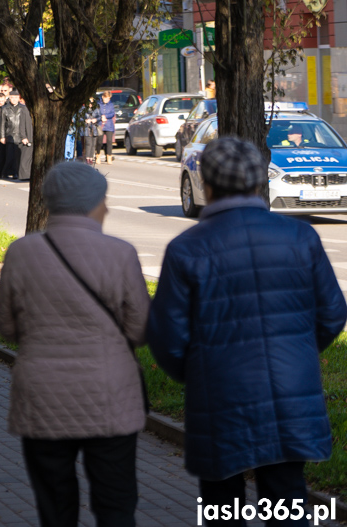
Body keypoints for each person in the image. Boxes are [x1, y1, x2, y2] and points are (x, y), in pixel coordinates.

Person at [147, 137, 347, 526]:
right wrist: (300, 355)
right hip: (291, 395)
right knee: (288, 501)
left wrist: (198, 372)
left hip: (219, 397)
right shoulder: (301, 238)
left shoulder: (187, 249)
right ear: (259, 183)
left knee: (223, 507)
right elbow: (332, 315)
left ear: (207, 184)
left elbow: (167, 336)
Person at [0, 161, 149, 527]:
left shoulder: (21, 252)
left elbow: (5, 324)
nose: (107, 207)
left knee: (55, 504)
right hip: (109, 394)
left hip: (42, 395)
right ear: (93, 203)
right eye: (104, 200)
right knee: (116, 502)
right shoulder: (121, 253)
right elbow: (140, 327)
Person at [0, 90, 33, 180]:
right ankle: (6, 171)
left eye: (15, 97)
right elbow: (2, 123)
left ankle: (16, 172)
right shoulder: (5, 109)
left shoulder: (23, 108)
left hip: (20, 134)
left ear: (19, 98)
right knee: (10, 156)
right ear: (9, 98)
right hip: (10, 134)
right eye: (12, 97)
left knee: (18, 156)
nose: (14, 99)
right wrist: (2, 136)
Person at [97, 91, 115, 164]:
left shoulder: (111, 105)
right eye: (106, 98)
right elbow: (96, 112)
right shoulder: (99, 104)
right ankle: (98, 155)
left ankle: (109, 156)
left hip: (109, 124)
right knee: (99, 141)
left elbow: (112, 113)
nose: (107, 100)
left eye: (108, 98)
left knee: (109, 141)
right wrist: (101, 117)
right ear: (103, 97)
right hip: (100, 124)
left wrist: (106, 116)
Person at [83, 97, 102, 166]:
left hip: (94, 128)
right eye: (89, 103)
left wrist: (96, 120)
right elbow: (80, 118)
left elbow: (100, 117)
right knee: (88, 144)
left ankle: (91, 158)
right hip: (87, 129)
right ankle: (87, 158)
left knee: (94, 144)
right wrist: (85, 121)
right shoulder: (84, 110)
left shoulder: (96, 109)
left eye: (92, 103)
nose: (91, 104)